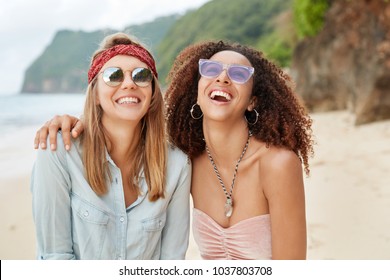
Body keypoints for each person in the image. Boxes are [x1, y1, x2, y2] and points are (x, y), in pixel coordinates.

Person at [35, 40, 314, 260]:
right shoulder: (188, 160)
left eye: (239, 74)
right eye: (212, 70)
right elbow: (128, 120)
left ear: (253, 101)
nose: (223, 79)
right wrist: (80, 123)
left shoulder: (277, 164)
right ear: (197, 90)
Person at [30, 32, 191, 260]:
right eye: (113, 76)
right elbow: (54, 257)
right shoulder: (59, 151)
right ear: (95, 94)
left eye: (141, 75)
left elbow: (172, 263)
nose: (129, 84)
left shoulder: (176, 165)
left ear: (153, 93)